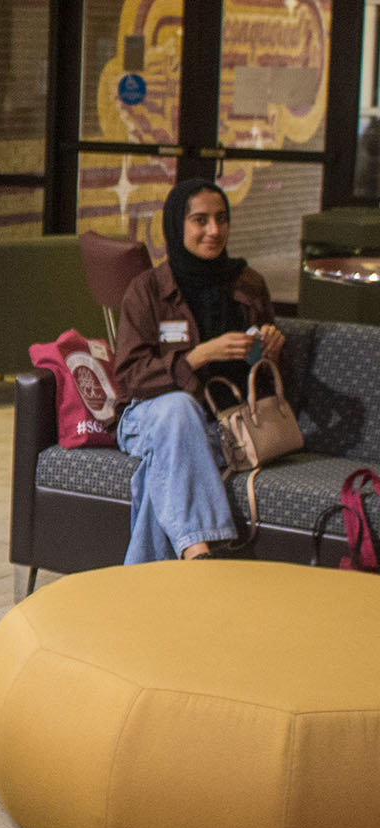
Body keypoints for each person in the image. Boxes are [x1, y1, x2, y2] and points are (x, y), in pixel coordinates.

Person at [111, 179, 284, 563]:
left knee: (163, 469)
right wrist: (197, 357)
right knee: (177, 409)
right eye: (200, 220)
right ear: (177, 225)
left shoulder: (249, 285)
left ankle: (148, 591)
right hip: (148, 416)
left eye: (221, 219)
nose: (214, 231)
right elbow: (133, 377)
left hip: (220, 426)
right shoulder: (148, 290)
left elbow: (268, 382)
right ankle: (198, 548)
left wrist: (270, 350)